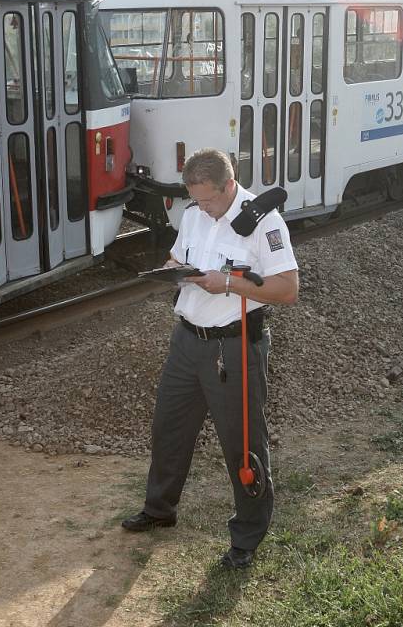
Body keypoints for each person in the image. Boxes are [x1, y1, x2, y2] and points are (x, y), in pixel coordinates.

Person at [122, 148, 299, 569]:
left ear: (229, 185)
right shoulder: (193, 215)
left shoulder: (263, 223)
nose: (200, 207)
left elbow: (288, 289)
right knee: (169, 428)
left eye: (207, 200)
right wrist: (173, 268)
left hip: (233, 347)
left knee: (243, 445)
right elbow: (179, 257)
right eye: (195, 200)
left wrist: (229, 284)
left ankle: (247, 539)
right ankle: (159, 510)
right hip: (187, 341)